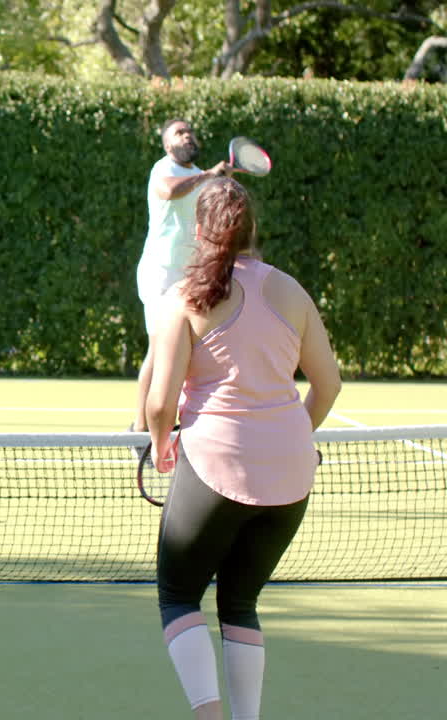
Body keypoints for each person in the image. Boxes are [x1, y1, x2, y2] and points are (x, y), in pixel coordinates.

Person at [145, 177, 342, 720]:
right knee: (240, 604)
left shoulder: (182, 298)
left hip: (213, 465)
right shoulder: (291, 290)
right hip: (291, 476)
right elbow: (329, 385)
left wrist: (161, 444)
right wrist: (295, 435)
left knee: (179, 597)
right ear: (252, 231)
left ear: (202, 232)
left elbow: (160, 402)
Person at [132, 119, 233, 438]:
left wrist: (223, 184)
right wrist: (209, 176)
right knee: (159, 347)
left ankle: (182, 422)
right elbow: (169, 191)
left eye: (190, 131)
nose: (188, 136)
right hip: (160, 271)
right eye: (179, 132)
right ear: (167, 145)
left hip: (191, 273)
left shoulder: (200, 177)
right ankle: (139, 429)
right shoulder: (162, 169)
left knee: (188, 349)